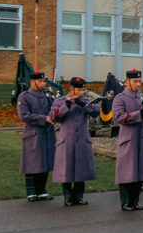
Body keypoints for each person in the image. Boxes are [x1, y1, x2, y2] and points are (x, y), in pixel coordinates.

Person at [49, 77, 95, 206]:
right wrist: (66, 106)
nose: (81, 92)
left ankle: (78, 196)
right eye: (79, 90)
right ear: (71, 89)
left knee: (81, 169)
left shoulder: (85, 101)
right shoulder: (60, 101)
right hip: (67, 140)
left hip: (82, 139)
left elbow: (96, 112)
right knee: (67, 169)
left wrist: (83, 104)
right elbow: (53, 117)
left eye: (83, 89)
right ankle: (68, 197)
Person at [111, 69, 143, 211]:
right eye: (135, 81)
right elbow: (120, 117)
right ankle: (126, 202)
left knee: (140, 171)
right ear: (127, 81)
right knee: (126, 171)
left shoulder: (141, 97)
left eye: (140, 81)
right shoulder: (120, 98)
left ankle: (135, 201)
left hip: (142, 139)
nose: (138, 84)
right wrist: (140, 113)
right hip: (128, 139)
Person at [16, 70, 55, 202]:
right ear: (32, 82)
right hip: (33, 134)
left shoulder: (47, 95)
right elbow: (24, 115)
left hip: (47, 133)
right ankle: (31, 191)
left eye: (43, 81)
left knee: (45, 161)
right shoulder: (24, 96)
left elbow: (53, 110)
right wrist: (44, 118)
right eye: (40, 81)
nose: (43, 83)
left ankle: (42, 191)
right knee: (32, 162)